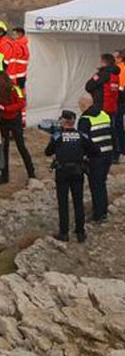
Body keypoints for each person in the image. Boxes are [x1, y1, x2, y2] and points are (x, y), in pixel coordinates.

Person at [47, 109, 96, 242]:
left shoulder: (58, 136)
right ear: (74, 121)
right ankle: (80, 232)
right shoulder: (82, 135)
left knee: (63, 202)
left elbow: (48, 152)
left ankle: (64, 233)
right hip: (78, 171)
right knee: (78, 201)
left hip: (62, 171)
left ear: (63, 121)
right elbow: (94, 150)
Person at [0, 72, 35, 184]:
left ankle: (31, 173)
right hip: (3, 120)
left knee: (21, 146)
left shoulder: (15, 89)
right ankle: (4, 175)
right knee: (4, 148)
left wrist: (5, 108)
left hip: (14, 119)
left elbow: (21, 104)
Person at [78, 94, 114, 223]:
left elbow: (83, 141)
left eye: (80, 106)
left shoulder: (85, 119)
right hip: (108, 154)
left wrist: (81, 157)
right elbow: (112, 133)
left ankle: (99, 215)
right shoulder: (104, 114)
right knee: (101, 183)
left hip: (95, 157)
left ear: (83, 105)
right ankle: (103, 210)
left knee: (96, 185)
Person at [85, 53, 121, 161]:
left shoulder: (103, 74)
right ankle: (115, 154)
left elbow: (88, 86)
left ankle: (98, 152)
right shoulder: (115, 74)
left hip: (101, 106)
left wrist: (94, 93)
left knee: (97, 130)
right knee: (111, 130)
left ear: (104, 62)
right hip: (112, 107)